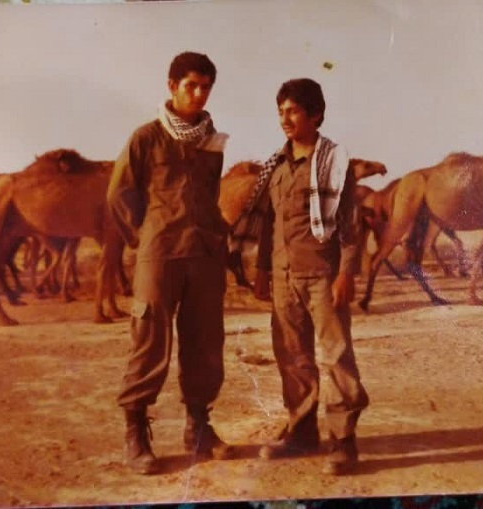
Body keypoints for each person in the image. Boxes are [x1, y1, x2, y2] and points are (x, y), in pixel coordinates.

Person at [233, 78, 370, 476]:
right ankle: (302, 432)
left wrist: (346, 273)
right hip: (283, 276)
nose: (285, 119)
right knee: (292, 357)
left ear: (316, 115)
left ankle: (343, 440)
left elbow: (350, 225)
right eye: (280, 112)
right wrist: (262, 270)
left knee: (336, 355)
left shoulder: (333, 164)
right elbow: (268, 222)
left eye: (293, 111)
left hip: (323, 276)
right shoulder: (275, 166)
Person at [107, 51, 235, 475]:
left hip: (204, 257)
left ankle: (198, 428)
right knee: (148, 340)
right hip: (160, 256)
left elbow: (211, 196)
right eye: (190, 86)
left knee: (205, 342)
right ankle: (136, 433)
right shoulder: (146, 137)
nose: (198, 94)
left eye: (205, 87)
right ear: (172, 86)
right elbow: (119, 193)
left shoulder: (212, 142)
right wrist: (145, 237)